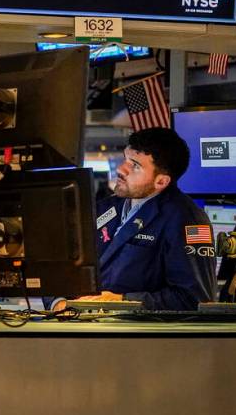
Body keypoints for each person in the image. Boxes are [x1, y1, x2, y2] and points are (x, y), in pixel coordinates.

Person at [80, 127, 216, 310]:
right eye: (125, 159)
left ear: (161, 181)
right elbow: (66, 267)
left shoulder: (187, 219)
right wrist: (58, 302)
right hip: (86, 323)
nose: (121, 169)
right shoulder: (107, 207)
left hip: (139, 333)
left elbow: (193, 299)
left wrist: (123, 301)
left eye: (135, 165)